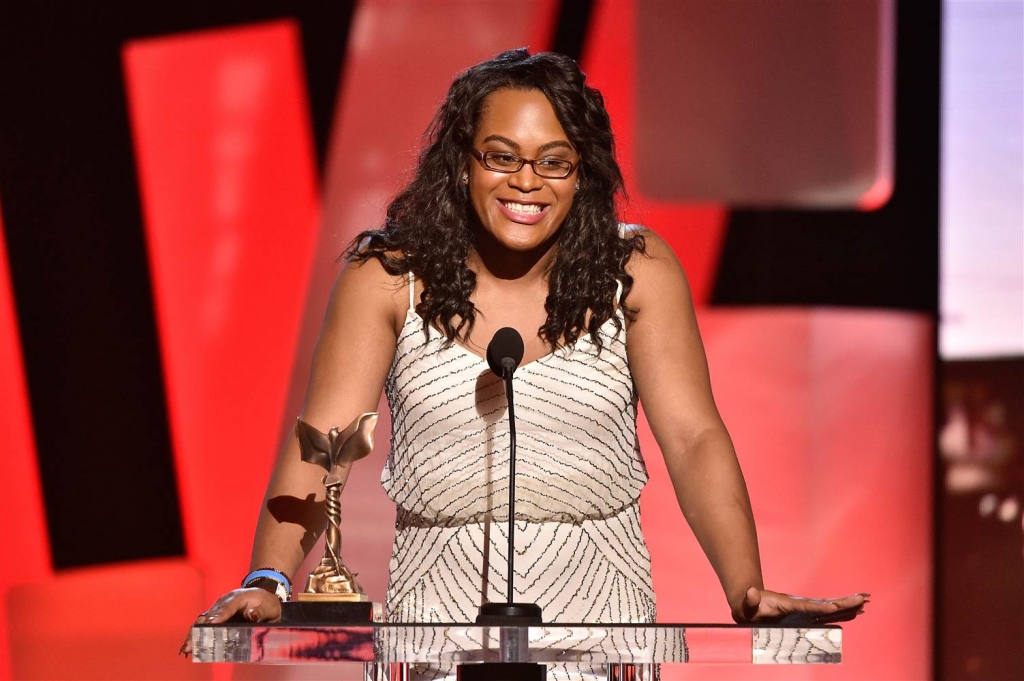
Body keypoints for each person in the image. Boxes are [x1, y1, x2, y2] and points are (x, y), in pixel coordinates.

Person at [182, 49, 866, 674]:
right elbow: (321, 445)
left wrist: (744, 584)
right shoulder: (388, 276)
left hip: (603, 631)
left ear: (583, 171)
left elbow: (693, 438)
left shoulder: (637, 271)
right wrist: (267, 578)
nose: (527, 183)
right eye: (502, 156)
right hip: (435, 632)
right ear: (463, 160)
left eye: (554, 161)